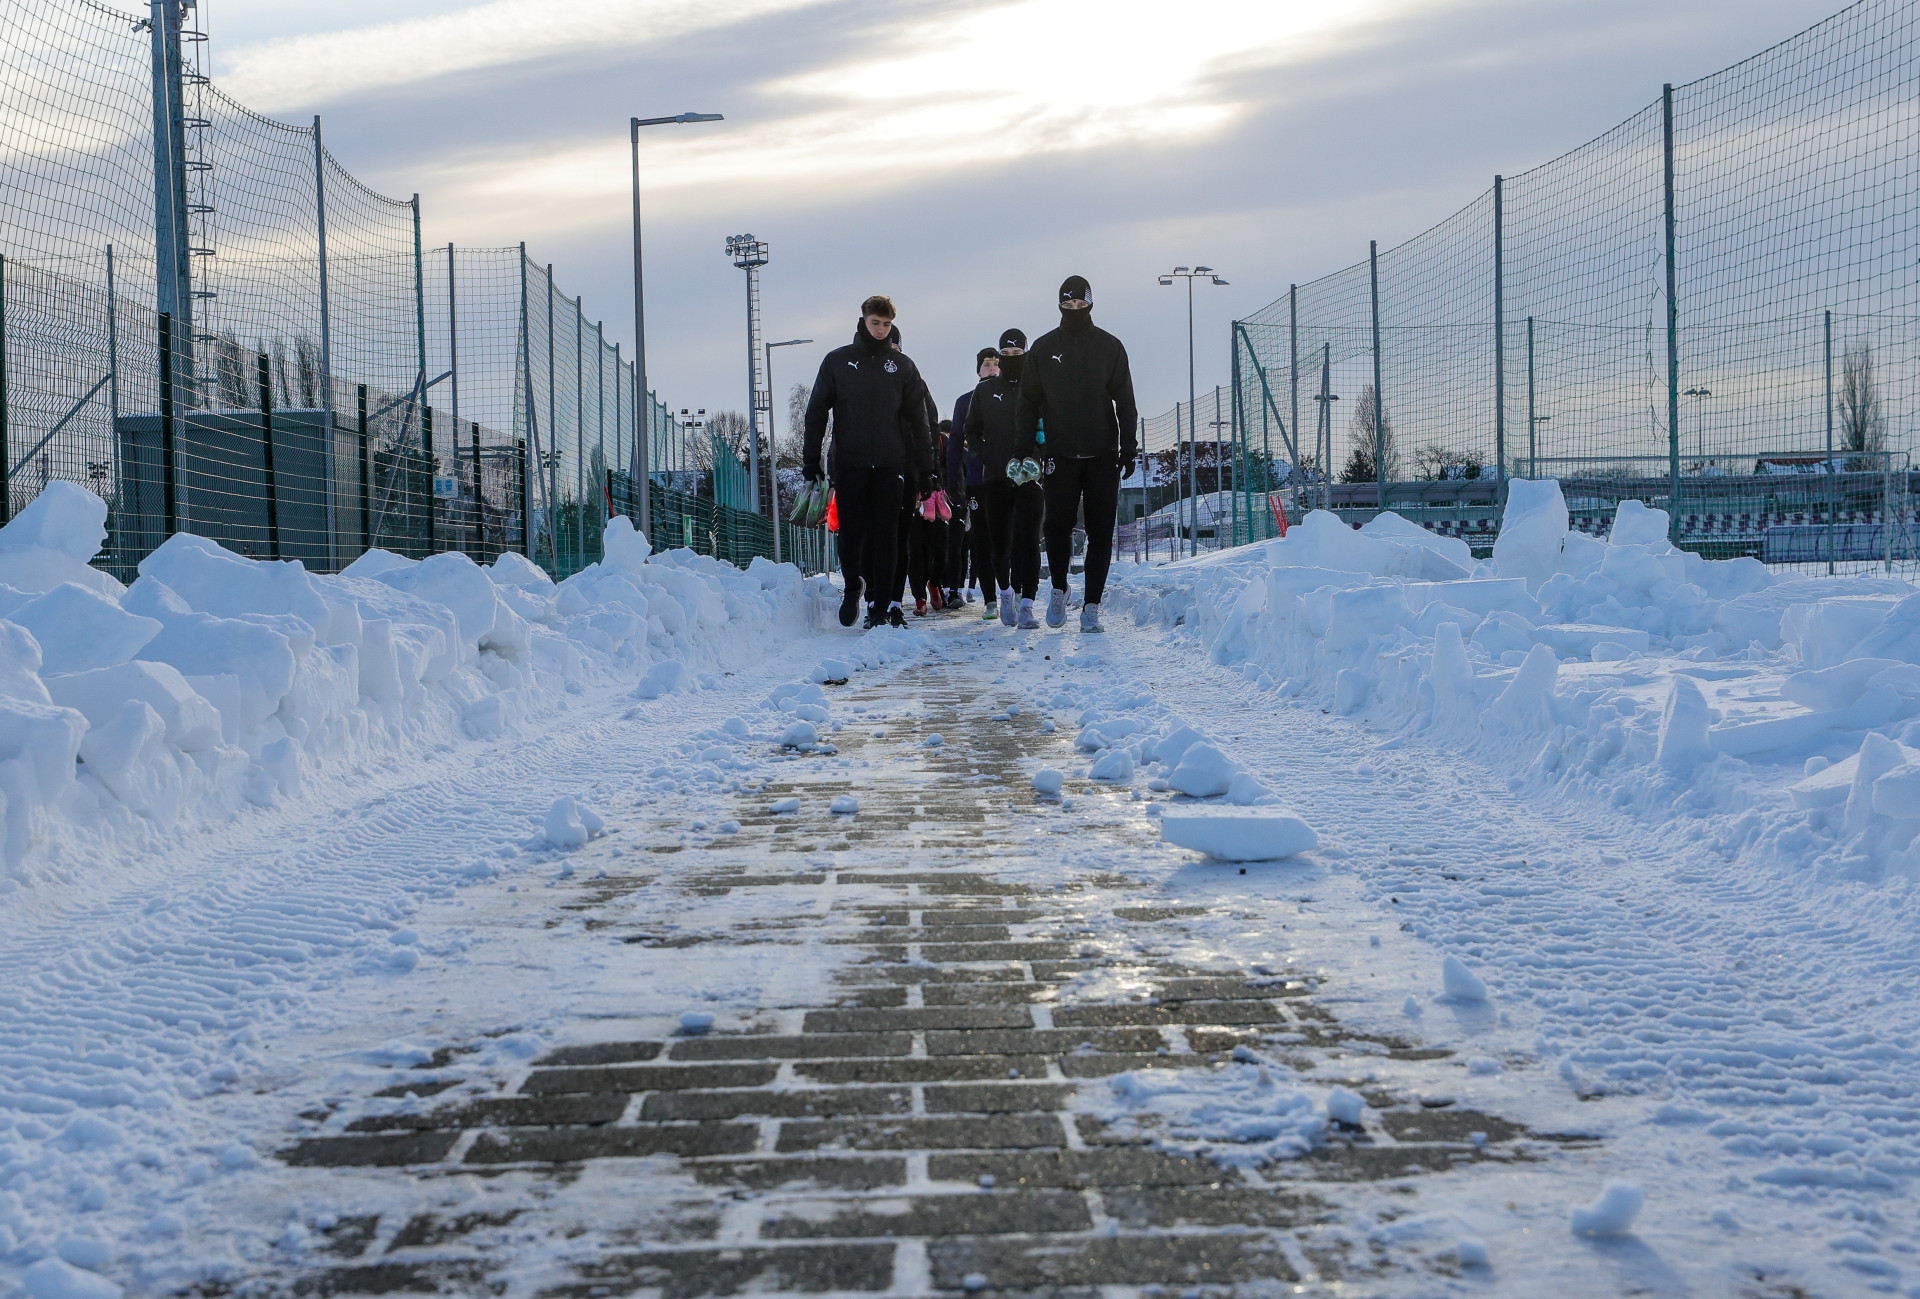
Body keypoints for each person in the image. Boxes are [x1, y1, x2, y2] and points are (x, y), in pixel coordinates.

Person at [1014, 276, 1137, 632]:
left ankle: (1092, 607)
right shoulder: (1043, 347)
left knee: (1101, 531)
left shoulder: (1109, 346)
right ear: (1059, 307)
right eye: (1068, 307)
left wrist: (1128, 447)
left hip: (1102, 455)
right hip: (1060, 453)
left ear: (1091, 305)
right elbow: (1027, 403)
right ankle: (1058, 588)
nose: (1075, 312)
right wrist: (1023, 448)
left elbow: (1125, 401)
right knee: (1055, 526)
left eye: (1081, 306)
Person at [804, 296, 931, 630]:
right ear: (863, 320)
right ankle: (853, 586)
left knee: (887, 535)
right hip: (850, 462)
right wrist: (810, 460)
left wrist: (927, 468)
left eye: (887, 325)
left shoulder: (902, 366)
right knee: (850, 533)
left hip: (891, 464)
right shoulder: (838, 361)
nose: (881, 330)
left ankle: (878, 604)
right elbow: (816, 412)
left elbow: (920, 422)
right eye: (875, 323)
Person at [966, 327, 1045, 628]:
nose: (1012, 359)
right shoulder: (985, 391)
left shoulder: (1037, 389)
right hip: (996, 478)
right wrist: (985, 456)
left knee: (1028, 541)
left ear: (1026, 353)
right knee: (1000, 545)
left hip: (1029, 479)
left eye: (1018, 354)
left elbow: (1048, 428)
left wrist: (1040, 456)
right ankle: (1006, 592)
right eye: (1007, 355)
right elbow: (972, 430)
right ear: (1000, 357)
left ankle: (1028, 604)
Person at [950, 349, 995, 618]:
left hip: (1009, 480)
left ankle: (1013, 591)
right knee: (982, 541)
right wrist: (954, 478)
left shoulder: (1016, 397)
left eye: (995, 364)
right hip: (977, 481)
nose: (991, 369)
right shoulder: (965, 402)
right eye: (986, 364)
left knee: (1010, 539)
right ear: (978, 369)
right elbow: (955, 442)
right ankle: (990, 599)